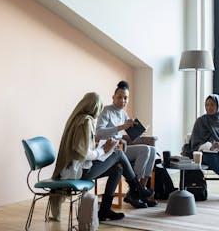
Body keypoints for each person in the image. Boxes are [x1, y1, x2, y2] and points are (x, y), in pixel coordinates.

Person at [52, 92, 154, 221]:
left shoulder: (77, 119)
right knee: (118, 153)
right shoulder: (86, 122)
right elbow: (84, 153)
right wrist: (104, 150)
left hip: (76, 169)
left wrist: (103, 149)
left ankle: (105, 210)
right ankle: (136, 189)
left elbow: (82, 151)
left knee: (118, 169)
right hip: (80, 173)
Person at [96, 81, 158, 207]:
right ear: (113, 97)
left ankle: (139, 190)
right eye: (120, 97)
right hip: (109, 150)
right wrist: (121, 127)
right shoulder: (106, 111)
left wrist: (139, 131)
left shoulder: (123, 113)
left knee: (151, 149)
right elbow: (99, 133)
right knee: (145, 150)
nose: (123, 100)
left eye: (126, 98)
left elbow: (131, 138)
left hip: (120, 148)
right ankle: (134, 191)